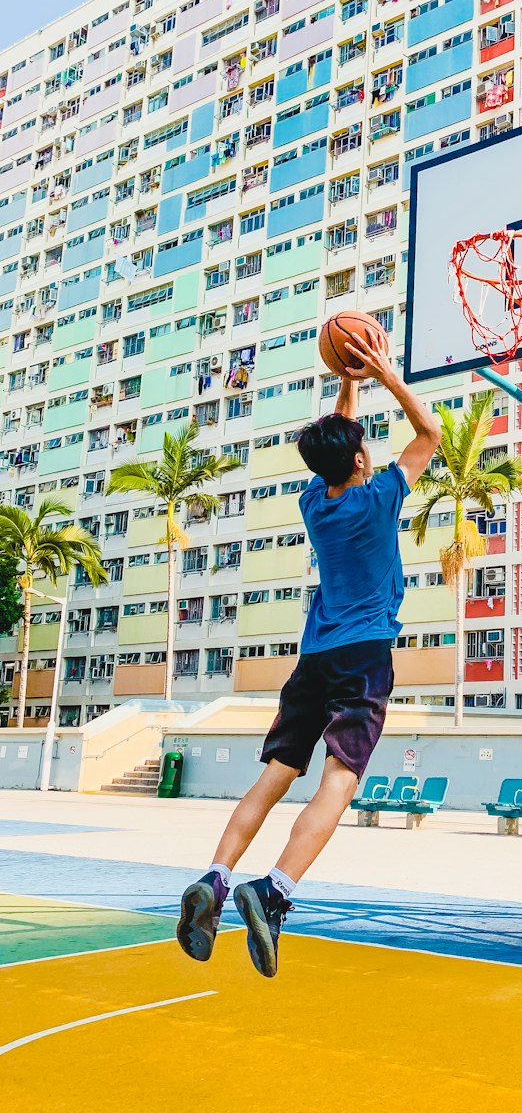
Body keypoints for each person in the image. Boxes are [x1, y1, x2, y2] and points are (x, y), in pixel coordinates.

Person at [176, 328, 440, 977]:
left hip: (314, 657)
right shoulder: (380, 500)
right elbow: (429, 433)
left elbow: (341, 443)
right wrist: (383, 369)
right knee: (340, 782)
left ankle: (214, 878)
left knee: (274, 775)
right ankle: (274, 891)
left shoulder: (314, 503)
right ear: (356, 462)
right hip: (365, 655)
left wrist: (348, 382)